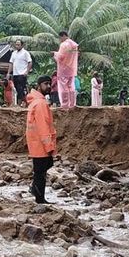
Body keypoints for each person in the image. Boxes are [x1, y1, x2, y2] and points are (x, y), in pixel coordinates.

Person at [26, 75, 57, 204]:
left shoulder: (36, 102)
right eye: (46, 84)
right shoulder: (40, 104)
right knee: (41, 172)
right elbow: (43, 127)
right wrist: (49, 147)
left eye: (50, 84)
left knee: (42, 169)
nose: (49, 86)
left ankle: (35, 190)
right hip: (40, 144)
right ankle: (39, 198)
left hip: (35, 143)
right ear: (39, 86)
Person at [51, 31, 78, 108]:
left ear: (63, 36)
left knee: (63, 88)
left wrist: (54, 54)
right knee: (71, 87)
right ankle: (72, 104)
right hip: (72, 68)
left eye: (60, 38)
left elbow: (61, 57)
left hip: (63, 69)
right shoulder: (74, 45)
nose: (60, 40)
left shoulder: (64, 45)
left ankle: (65, 104)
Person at [7, 39, 32, 107]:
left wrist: (27, 72)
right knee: (17, 89)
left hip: (22, 74)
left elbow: (30, 62)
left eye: (18, 44)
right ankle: (26, 102)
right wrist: (8, 73)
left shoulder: (25, 53)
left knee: (20, 89)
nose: (17, 46)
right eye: (16, 44)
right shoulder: (14, 53)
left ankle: (19, 103)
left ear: (22, 45)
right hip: (15, 74)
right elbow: (11, 63)